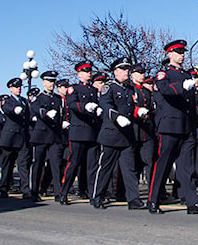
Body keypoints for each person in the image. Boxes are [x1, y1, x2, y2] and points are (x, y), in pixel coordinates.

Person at [147, 39, 198, 215]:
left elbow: (190, 103)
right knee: (163, 164)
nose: (181, 55)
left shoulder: (185, 75)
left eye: (183, 52)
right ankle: (153, 200)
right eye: (178, 52)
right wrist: (183, 86)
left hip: (186, 126)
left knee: (187, 167)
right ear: (170, 55)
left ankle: (192, 203)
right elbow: (165, 89)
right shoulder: (163, 73)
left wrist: (196, 123)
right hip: (169, 125)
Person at [91, 56, 147, 209]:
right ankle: (97, 196)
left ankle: (133, 199)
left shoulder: (129, 89)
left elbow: (129, 108)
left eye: (127, 69)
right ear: (115, 71)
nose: (126, 72)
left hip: (127, 135)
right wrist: (117, 117)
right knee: (105, 167)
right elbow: (105, 106)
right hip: (111, 133)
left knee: (130, 168)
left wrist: (138, 111)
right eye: (123, 69)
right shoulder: (108, 88)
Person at [59, 60, 102, 204]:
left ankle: (93, 195)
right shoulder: (74, 89)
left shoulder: (94, 91)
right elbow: (71, 104)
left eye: (89, 71)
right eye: (85, 71)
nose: (88, 74)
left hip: (92, 132)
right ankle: (63, 192)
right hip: (78, 132)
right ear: (79, 74)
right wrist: (85, 106)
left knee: (92, 166)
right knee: (73, 164)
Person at [30, 71, 65, 201]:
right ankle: (34, 191)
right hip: (41, 134)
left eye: (53, 81)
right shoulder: (38, 97)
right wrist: (45, 113)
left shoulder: (57, 98)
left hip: (54, 135)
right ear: (44, 82)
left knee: (56, 164)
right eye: (49, 81)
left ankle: (58, 192)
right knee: (38, 164)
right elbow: (35, 109)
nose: (52, 84)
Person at [0, 77, 32, 199]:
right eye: (16, 87)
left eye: (20, 87)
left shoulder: (24, 101)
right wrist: (14, 109)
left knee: (23, 164)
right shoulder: (7, 100)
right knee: (8, 164)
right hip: (10, 137)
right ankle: (4, 187)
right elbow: (6, 109)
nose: (18, 89)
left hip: (22, 137)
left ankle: (25, 189)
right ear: (10, 88)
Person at [131, 64, 156, 186]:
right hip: (134, 129)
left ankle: (153, 190)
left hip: (146, 130)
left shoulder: (145, 91)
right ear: (132, 75)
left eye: (143, 73)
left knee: (149, 160)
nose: (142, 75)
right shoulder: (130, 89)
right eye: (139, 73)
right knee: (134, 162)